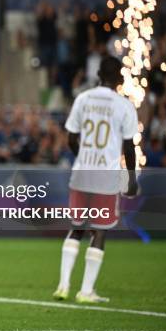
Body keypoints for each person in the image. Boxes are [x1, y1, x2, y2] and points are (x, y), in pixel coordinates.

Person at [53, 56, 138, 303]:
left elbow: (70, 138)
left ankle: (63, 285)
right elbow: (129, 146)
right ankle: (86, 291)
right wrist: (130, 178)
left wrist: (84, 159)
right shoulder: (123, 106)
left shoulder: (83, 99)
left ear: (99, 75)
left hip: (81, 172)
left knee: (77, 227)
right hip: (106, 175)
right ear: (118, 78)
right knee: (98, 231)